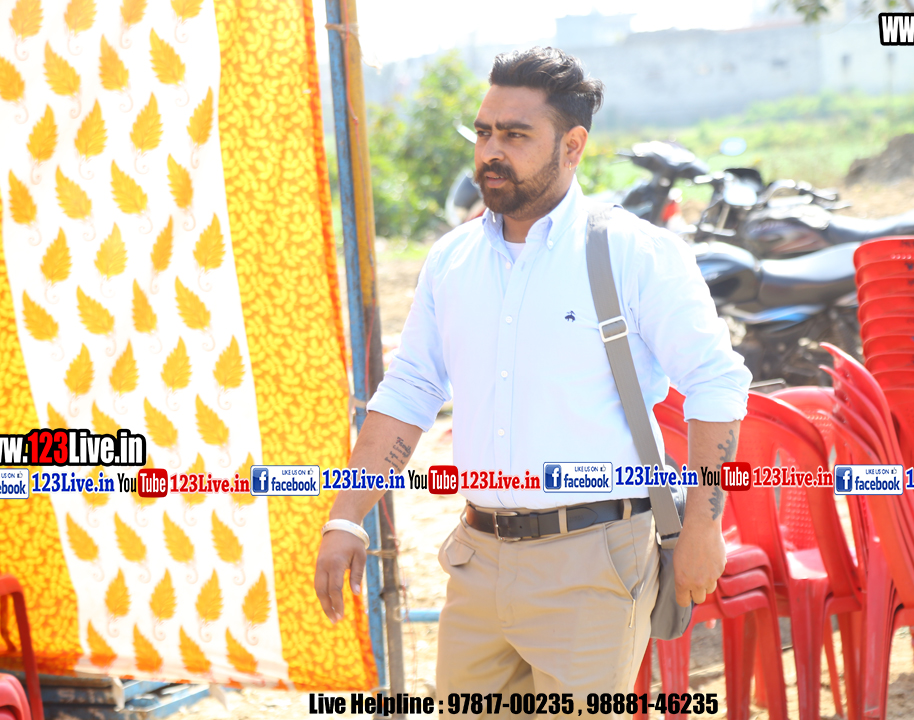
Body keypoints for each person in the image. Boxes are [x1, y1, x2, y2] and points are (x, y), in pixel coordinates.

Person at [315, 47, 752, 716]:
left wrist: (703, 526)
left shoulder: (634, 253)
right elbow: (408, 392)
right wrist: (347, 516)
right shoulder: (452, 260)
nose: (491, 150)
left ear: (572, 145)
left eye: (515, 135)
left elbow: (716, 385)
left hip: (595, 560)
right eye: (484, 132)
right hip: (477, 557)